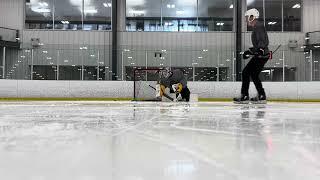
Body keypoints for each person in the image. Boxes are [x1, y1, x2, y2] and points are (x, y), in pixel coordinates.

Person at [234, 8, 270, 104]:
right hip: (262, 55)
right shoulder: (257, 27)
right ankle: (262, 95)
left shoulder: (258, 26)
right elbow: (259, 43)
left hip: (262, 55)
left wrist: (261, 49)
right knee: (253, 74)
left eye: (247, 17)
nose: (246, 20)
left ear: (252, 17)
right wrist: (250, 51)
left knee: (246, 72)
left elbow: (262, 41)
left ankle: (245, 95)